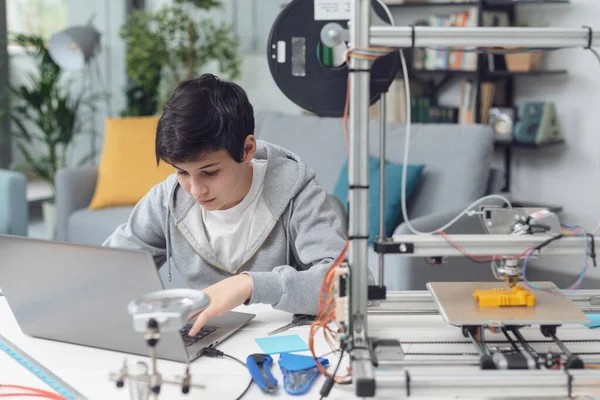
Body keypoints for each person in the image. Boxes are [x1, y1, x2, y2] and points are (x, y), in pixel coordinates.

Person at [103, 74, 347, 336]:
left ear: (247, 149)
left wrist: (251, 285)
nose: (195, 190)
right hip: (203, 342)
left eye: (210, 172)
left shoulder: (298, 193)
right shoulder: (167, 198)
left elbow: (348, 285)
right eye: (182, 173)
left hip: (281, 344)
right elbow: (107, 268)